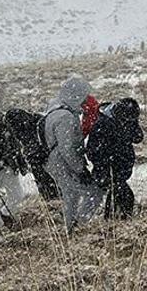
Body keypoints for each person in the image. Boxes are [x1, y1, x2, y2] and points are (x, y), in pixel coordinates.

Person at [44, 77, 104, 231]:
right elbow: (68, 149)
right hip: (63, 164)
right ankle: (79, 226)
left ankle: (70, 228)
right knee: (94, 193)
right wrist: (80, 169)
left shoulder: (55, 111)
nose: (85, 100)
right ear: (75, 95)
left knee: (70, 196)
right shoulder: (66, 118)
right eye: (83, 96)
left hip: (55, 162)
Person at [86, 98, 144, 219]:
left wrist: (132, 126)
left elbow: (138, 137)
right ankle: (115, 223)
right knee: (123, 195)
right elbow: (91, 151)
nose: (127, 122)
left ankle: (115, 223)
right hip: (108, 170)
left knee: (119, 194)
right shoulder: (102, 124)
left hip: (122, 167)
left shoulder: (129, 119)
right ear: (119, 114)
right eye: (125, 119)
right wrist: (105, 162)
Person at [4, 108, 60, 201]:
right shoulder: (37, 118)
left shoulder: (14, 126)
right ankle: (56, 199)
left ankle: (50, 199)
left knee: (44, 182)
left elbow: (21, 143)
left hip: (36, 157)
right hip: (47, 154)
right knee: (53, 180)